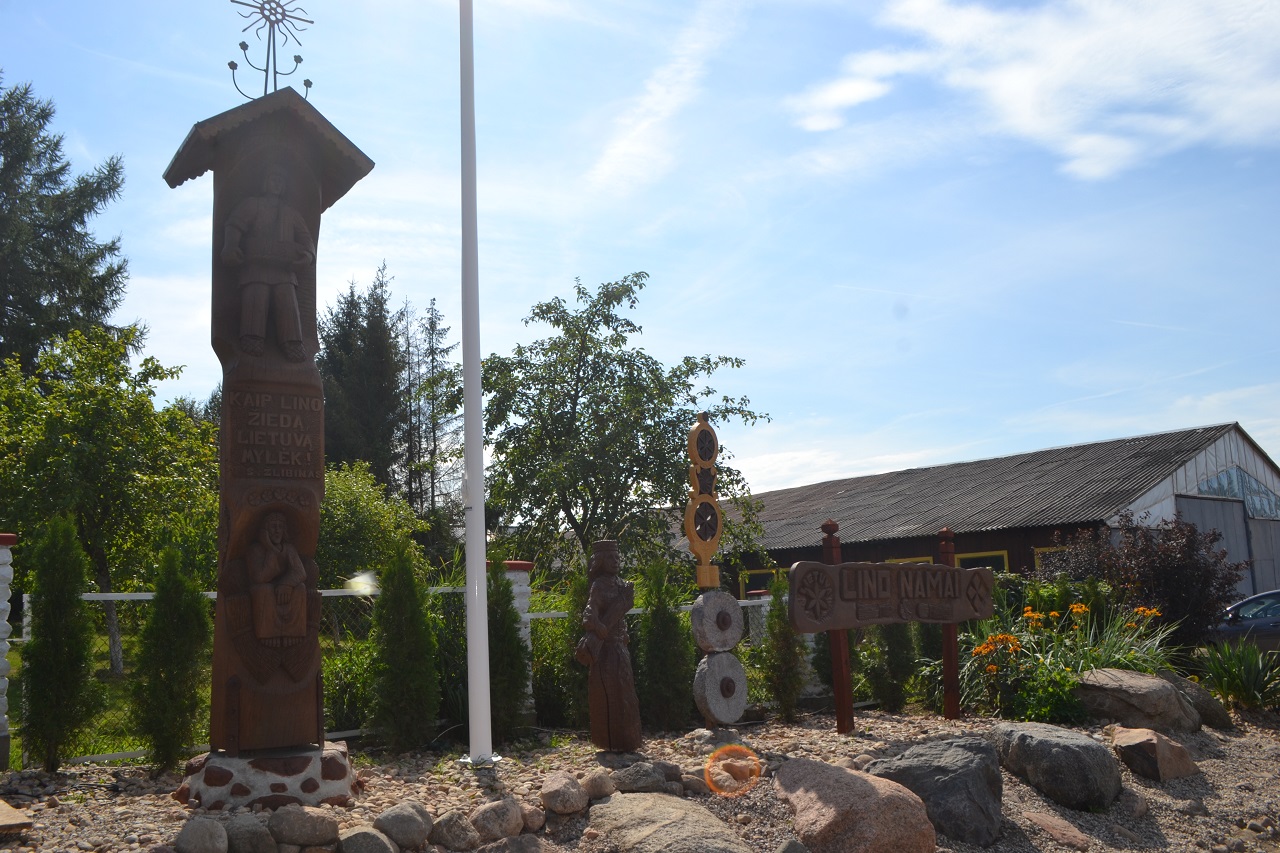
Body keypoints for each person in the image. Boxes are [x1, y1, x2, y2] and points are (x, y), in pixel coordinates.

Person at [221, 165, 315, 361]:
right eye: (273, 179)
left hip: (284, 270)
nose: (277, 184)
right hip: (256, 266)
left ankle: (292, 344)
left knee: (287, 303)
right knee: (256, 298)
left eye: (281, 181)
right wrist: (230, 246)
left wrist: (307, 256)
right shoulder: (252, 205)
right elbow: (234, 224)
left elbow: (307, 240)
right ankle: (252, 339)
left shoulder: (291, 213)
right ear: (265, 183)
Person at [578, 540, 642, 752]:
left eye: (617, 557)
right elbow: (588, 616)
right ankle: (609, 741)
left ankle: (628, 740)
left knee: (626, 692)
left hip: (620, 646)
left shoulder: (623, 585)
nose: (616, 561)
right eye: (610, 558)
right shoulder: (598, 586)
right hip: (605, 650)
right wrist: (599, 626)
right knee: (608, 693)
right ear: (600, 561)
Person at [246, 511, 308, 643]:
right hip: (263, 591)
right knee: (264, 590)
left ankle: (293, 632)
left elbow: (300, 572)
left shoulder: (289, 549)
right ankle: (267, 634)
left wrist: (286, 584)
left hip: (284, 589)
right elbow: (260, 578)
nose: (277, 531)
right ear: (264, 531)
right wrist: (271, 549)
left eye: (280, 527)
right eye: (273, 526)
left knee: (301, 588)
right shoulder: (255, 550)